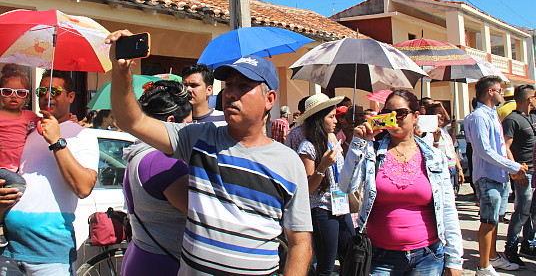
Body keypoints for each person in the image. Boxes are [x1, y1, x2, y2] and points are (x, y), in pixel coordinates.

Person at [107, 30, 312, 275]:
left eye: (243, 86)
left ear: (269, 99)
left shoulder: (289, 162)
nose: (230, 93)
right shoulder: (199, 138)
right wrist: (121, 72)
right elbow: (133, 122)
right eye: (228, 86)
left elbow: (300, 241)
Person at [340, 89, 464, 276]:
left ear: (415, 117)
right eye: (387, 113)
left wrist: (454, 259)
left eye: (400, 113)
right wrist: (359, 143)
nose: (394, 118)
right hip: (379, 257)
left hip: (427, 256)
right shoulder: (372, 153)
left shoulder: (433, 157)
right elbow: (347, 187)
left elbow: (447, 209)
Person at [1, 70, 99, 275]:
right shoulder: (29, 130)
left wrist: (57, 141)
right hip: (11, 249)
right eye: (42, 90)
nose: (47, 95)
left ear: (70, 97)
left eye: (55, 90)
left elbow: (84, 187)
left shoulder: (83, 134)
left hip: (50, 252)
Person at [122, 80, 193, 276]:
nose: (192, 132)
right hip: (163, 262)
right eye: (188, 125)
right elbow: (199, 211)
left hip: (141, 253)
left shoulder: (139, 153)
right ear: (171, 122)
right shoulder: (164, 161)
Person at [464, 76, 528, 275]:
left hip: (499, 175)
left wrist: (510, 169)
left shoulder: (492, 115)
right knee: (488, 221)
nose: (502, 94)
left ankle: (492, 257)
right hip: (487, 176)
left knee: (495, 220)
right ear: (490, 91)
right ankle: (483, 266)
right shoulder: (479, 117)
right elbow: (484, 150)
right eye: (500, 90)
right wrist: (513, 166)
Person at [295, 93, 354, 275]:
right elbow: (308, 187)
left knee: (352, 255)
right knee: (326, 266)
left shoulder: (333, 140)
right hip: (322, 210)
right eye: (331, 117)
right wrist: (322, 166)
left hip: (341, 206)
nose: (336, 120)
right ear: (320, 120)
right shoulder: (308, 146)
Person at [0, 65, 39, 247]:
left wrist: (71, 120)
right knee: (18, 187)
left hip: (16, 168)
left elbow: (50, 124)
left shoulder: (29, 116)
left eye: (20, 93)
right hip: (3, 169)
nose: (14, 96)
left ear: (27, 96)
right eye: (8, 91)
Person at [502, 85, 536, 266]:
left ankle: (528, 244)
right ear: (529, 98)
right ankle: (511, 248)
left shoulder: (532, 117)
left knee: (533, 213)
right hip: (524, 173)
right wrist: (516, 170)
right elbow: (505, 146)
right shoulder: (512, 120)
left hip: (535, 171)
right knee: (522, 212)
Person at [425, 103, 465, 188]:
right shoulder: (428, 134)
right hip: (440, 172)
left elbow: (452, 151)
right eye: (439, 113)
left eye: (443, 113)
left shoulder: (444, 132)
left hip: (451, 170)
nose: (442, 116)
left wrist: (459, 169)